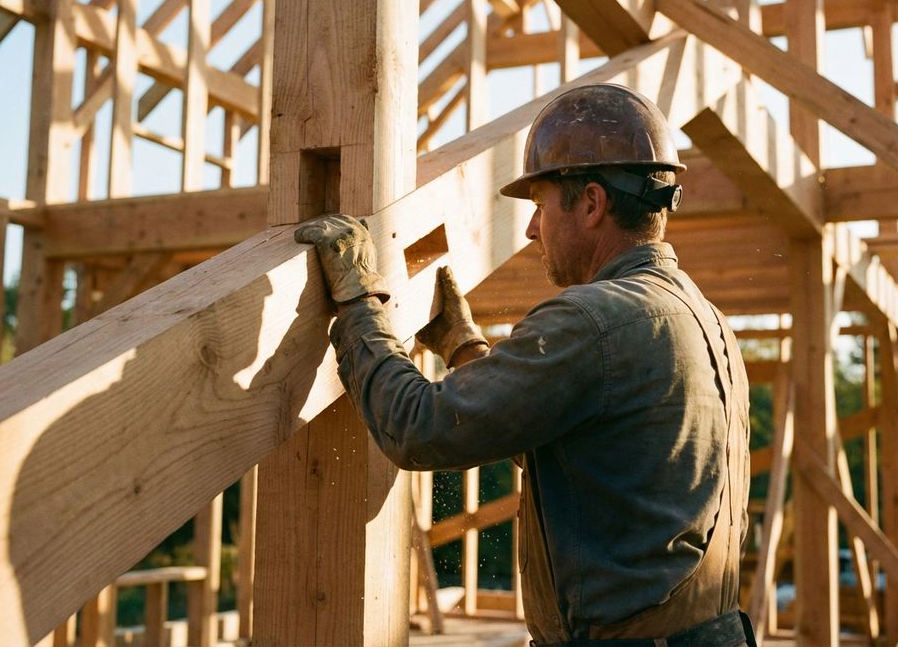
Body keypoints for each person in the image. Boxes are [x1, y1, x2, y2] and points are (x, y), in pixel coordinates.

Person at [294, 83, 752, 647]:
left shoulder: (595, 319)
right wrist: (464, 347)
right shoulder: (706, 321)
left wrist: (359, 306)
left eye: (539, 207)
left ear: (590, 203)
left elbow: (418, 427)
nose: (533, 229)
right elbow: (562, 431)